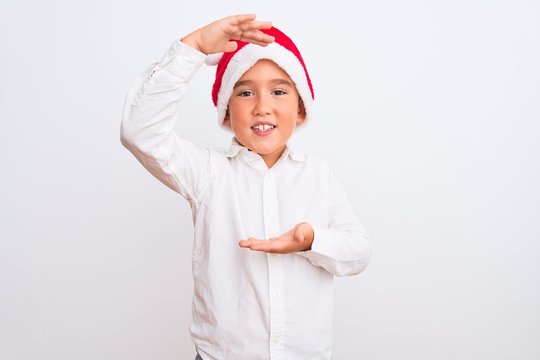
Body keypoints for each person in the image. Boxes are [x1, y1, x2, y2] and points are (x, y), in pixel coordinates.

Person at [120, 14, 372, 360]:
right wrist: (192, 48)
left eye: (279, 91)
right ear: (226, 113)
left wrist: (311, 239)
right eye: (246, 92)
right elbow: (140, 131)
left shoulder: (318, 174)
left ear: (300, 110)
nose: (262, 106)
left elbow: (358, 252)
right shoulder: (208, 173)